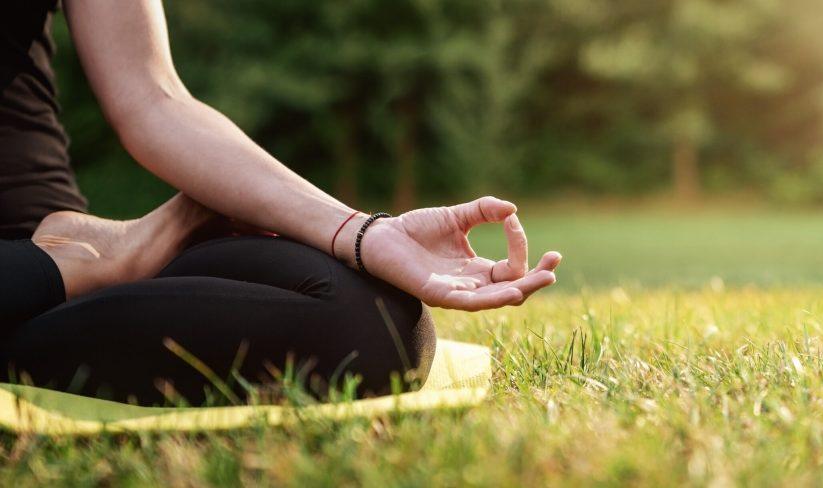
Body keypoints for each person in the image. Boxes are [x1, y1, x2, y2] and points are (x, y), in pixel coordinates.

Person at [0, 1, 561, 405]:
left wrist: (362, 234)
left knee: (371, 326)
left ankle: (83, 268)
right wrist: (57, 270)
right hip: (48, 265)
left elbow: (153, 97)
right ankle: (74, 269)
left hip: (46, 232)